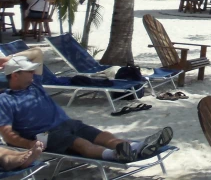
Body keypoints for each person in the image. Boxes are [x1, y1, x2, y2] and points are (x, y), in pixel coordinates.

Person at [0, 54, 173, 162]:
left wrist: (9, 59)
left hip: (67, 123)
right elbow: (7, 134)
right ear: (15, 75)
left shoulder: (34, 84)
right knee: (80, 143)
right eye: (28, 71)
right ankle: (115, 155)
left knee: (104, 136)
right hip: (44, 134)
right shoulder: (5, 100)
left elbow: (36, 52)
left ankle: (137, 146)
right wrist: (30, 144)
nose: (33, 73)